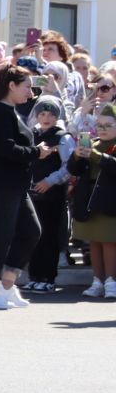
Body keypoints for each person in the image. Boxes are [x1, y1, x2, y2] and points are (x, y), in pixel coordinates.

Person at [0, 63, 41, 311]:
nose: (30, 93)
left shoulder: (10, 111)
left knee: (31, 231)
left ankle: (6, 285)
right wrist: (37, 152)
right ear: (11, 86)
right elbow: (6, 148)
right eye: (26, 87)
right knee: (0, 236)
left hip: (14, 184)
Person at [66, 106, 116, 297]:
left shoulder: (101, 149)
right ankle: (98, 281)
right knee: (94, 242)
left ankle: (112, 282)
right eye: (99, 125)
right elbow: (74, 169)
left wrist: (97, 156)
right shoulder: (92, 144)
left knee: (110, 242)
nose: (102, 129)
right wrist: (77, 155)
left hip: (110, 200)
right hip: (88, 199)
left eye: (108, 125)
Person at [25, 96, 72, 294]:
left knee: (50, 235)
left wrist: (50, 181)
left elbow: (69, 166)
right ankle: (34, 276)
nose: (46, 118)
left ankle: (48, 277)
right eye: (42, 114)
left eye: (51, 114)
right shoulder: (31, 135)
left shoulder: (62, 137)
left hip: (52, 194)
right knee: (33, 235)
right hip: (32, 192)